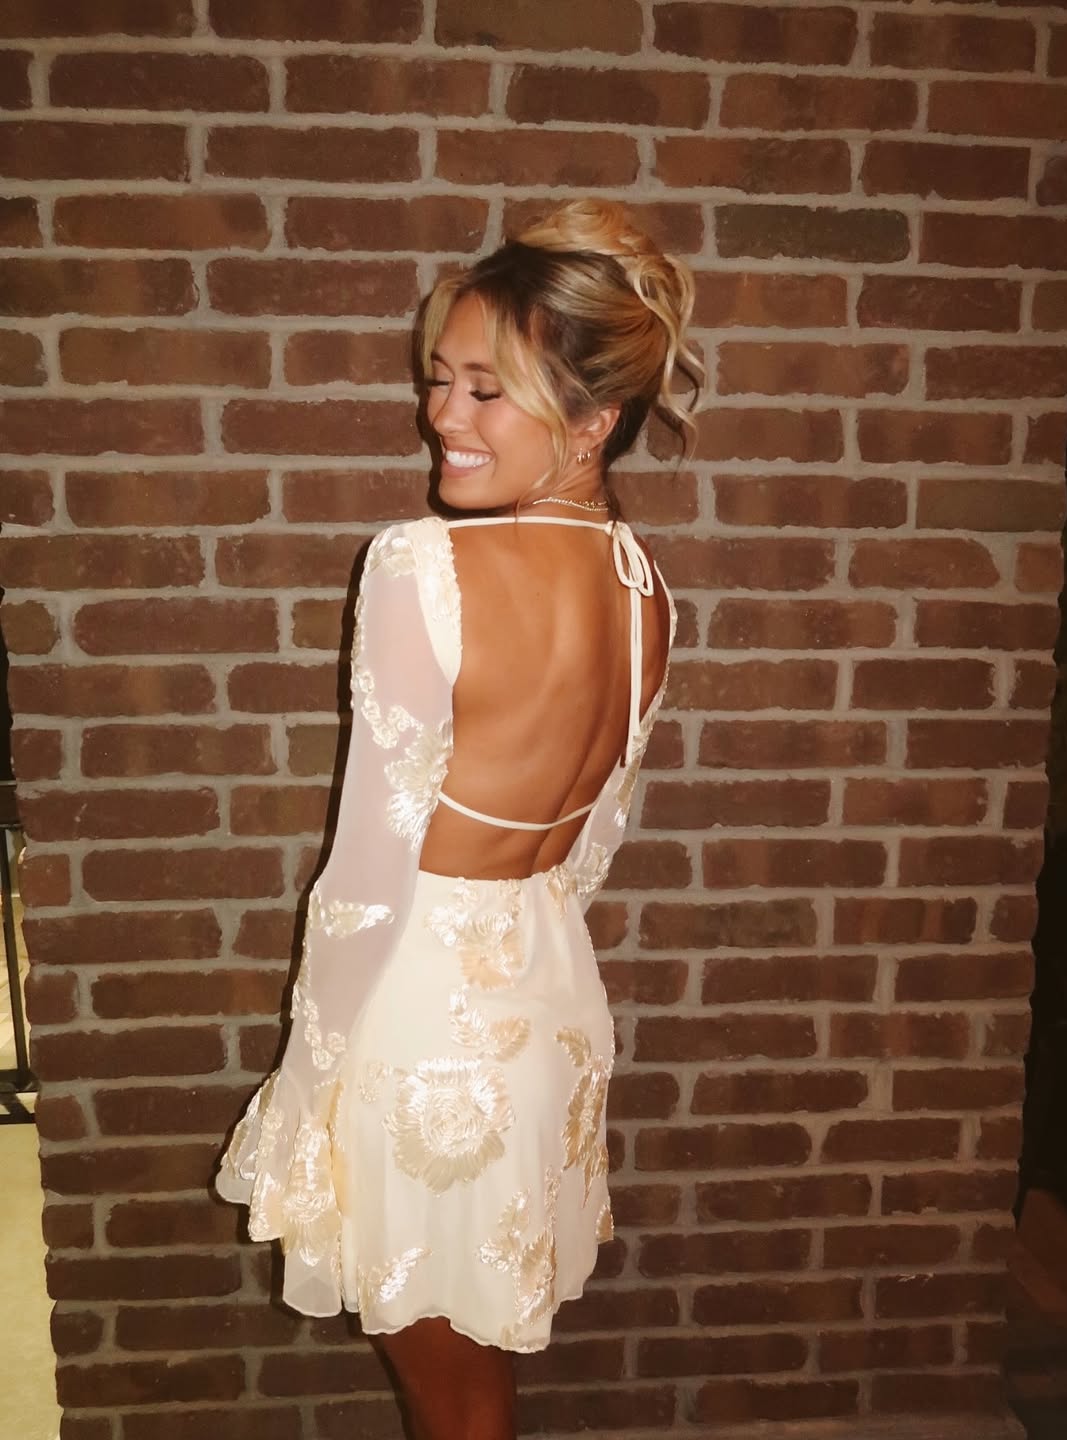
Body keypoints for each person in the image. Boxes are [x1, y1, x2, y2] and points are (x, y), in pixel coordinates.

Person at [214, 198, 700, 1440]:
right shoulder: (647, 590)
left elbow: (367, 876)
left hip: (421, 1019)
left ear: (591, 421)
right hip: (550, 1005)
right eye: (441, 380)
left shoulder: (421, 568)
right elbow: (594, 841)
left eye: (487, 391)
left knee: (451, 1394)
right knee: (473, 1378)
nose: (443, 415)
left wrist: (305, 1079)